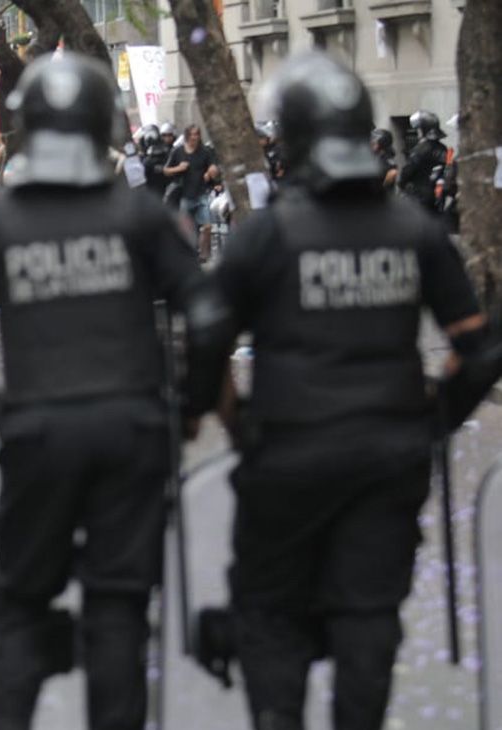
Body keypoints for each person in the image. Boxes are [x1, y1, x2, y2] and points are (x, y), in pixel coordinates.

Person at [0, 53, 230, 730]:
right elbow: (209, 317)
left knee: (21, 603)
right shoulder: (140, 216)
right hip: (133, 431)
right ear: (104, 127)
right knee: (119, 608)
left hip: (37, 437)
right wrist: (193, 405)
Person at [213, 52, 485, 730]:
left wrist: (231, 419)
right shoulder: (414, 232)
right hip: (388, 455)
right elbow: (479, 345)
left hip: (287, 454)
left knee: (272, 614)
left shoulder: (264, 238)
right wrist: (437, 415)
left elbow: (204, 342)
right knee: (369, 612)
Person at [164, 124, 220, 262]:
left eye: (197, 134)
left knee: (207, 226)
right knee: (187, 229)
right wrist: (179, 168)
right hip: (185, 196)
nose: (195, 137)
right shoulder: (178, 152)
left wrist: (211, 171)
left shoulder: (205, 151)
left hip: (201, 194)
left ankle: (203, 254)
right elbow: (166, 170)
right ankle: (190, 254)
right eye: (193, 134)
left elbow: (213, 165)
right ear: (187, 136)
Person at [398, 109, 448, 215]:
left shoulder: (421, 149)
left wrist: (402, 183)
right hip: (437, 195)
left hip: (419, 195)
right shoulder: (444, 149)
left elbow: (408, 170)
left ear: (422, 130)